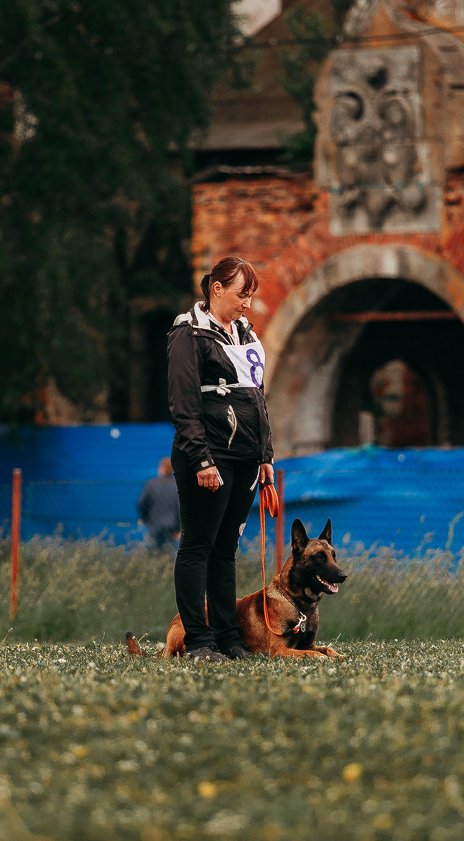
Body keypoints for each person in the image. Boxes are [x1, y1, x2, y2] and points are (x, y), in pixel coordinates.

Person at [167, 256, 275, 662]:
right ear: (217, 289)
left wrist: (265, 455)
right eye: (241, 294)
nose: (247, 303)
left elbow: (257, 398)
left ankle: (229, 639)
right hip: (210, 456)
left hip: (247, 458)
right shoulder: (188, 334)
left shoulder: (244, 332)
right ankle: (198, 640)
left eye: (251, 296)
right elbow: (183, 404)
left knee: (225, 550)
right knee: (198, 546)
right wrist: (201, 460)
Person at [137, 457, 180, 550]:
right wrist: (179, 528)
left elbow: (141, 503)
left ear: (162, 468)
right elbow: (181, 508)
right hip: (172, 525)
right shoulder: (177, 486)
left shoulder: (151, 484)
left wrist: (145, 518)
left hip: (154, 524)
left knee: (153, 554)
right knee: (168, 554)